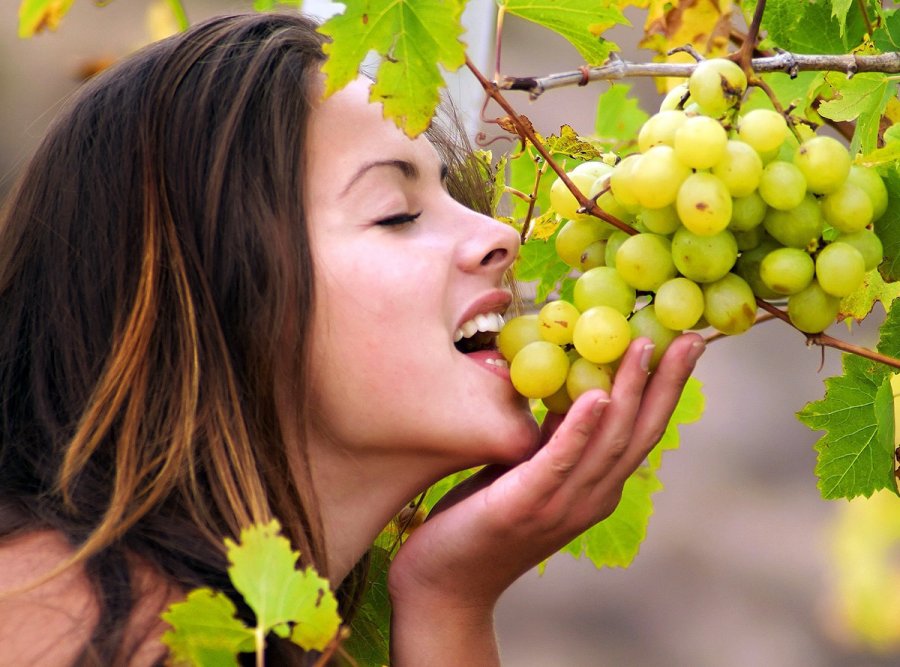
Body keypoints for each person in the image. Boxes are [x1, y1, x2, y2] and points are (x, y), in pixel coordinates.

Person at [0, 11, 705, 666]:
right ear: (225, 290)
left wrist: (449, 599)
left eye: (454, 197)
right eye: (397, 213)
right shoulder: (63, 624)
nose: (500, 236)